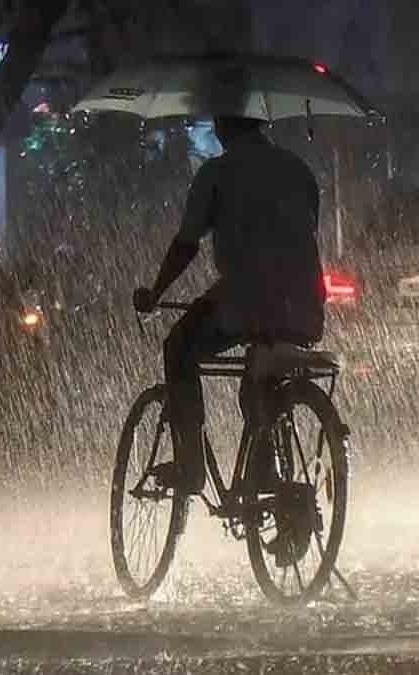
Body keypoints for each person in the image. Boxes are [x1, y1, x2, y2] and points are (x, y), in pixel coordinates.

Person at [133, 115, 324, 497]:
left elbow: (187, 243)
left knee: (179, 347)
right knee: (263, 374)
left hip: (246, 298)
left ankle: (190, 466)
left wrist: (156, 292)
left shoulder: (217, 173)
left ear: (222, 126)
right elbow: (304, 231)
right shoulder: (297, 169)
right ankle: (263, 470)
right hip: (305, 303)